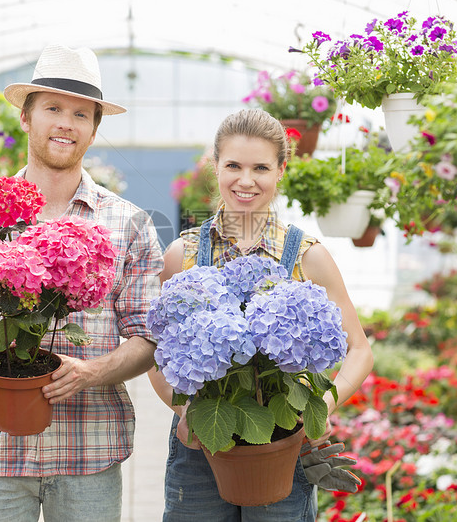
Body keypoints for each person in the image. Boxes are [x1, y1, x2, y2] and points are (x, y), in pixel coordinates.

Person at [0, 44, 164, 522]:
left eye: (80, 114)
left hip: (88, 453)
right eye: (52, 108)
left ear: (94, 129)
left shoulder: (128, 224)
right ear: (27, 118)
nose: (66, 123)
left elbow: (146, 334)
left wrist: (92, 372)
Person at [148, 108, 374, 521]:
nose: (246, 180)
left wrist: (318, 408)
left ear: (281, 171)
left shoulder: (308, 255)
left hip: (282, 441)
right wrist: (184, 413)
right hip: (198, 446)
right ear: (214, 166)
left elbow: (360, 350)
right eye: (233, 165)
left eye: (261, 168)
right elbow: (155, 351)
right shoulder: (182, 255)